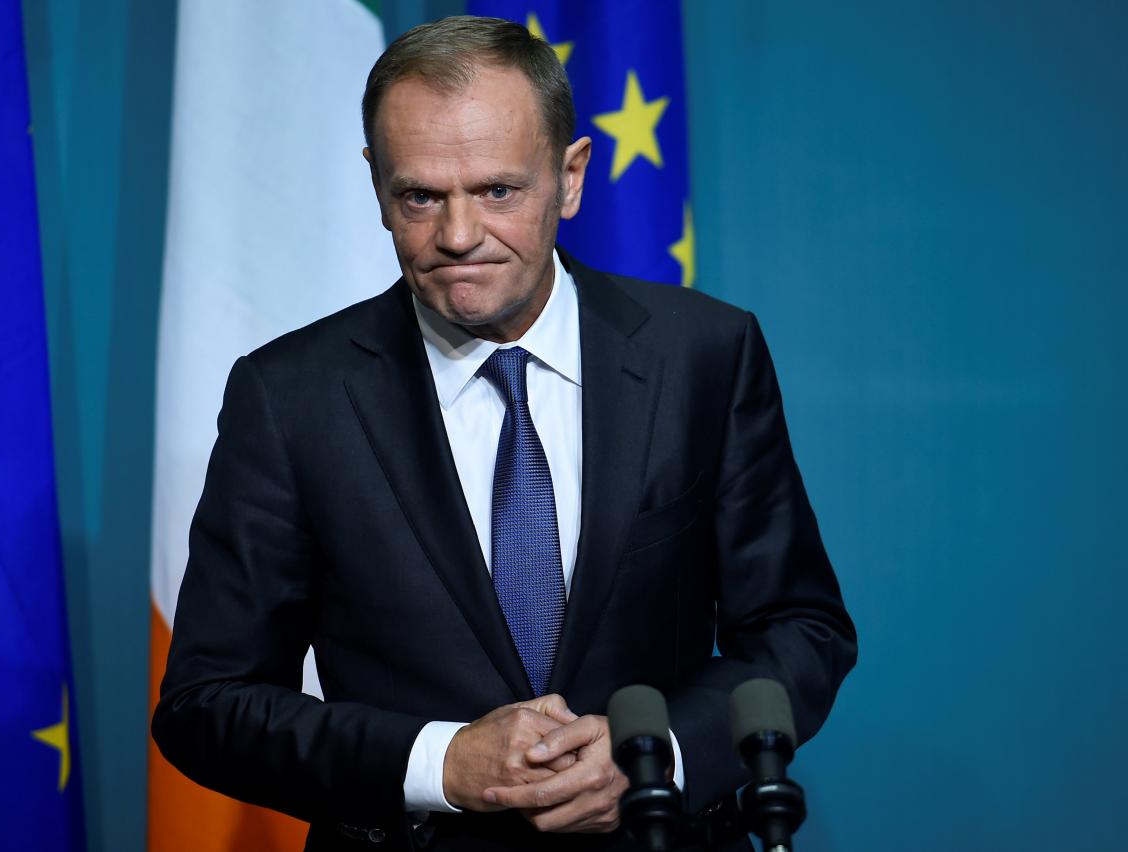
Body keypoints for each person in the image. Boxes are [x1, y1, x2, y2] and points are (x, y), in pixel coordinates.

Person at [152, 16, 856, 852]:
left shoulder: (703, 354)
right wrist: (441, 764)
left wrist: (655, 755)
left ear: (571, 177)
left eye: (497, 191)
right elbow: (208, 703)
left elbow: (798, 631)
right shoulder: (289, 396)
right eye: (420, 196)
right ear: (378, 186)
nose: (457, 236)